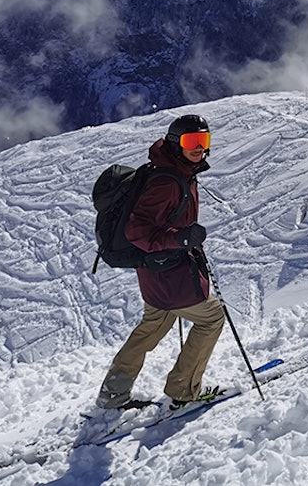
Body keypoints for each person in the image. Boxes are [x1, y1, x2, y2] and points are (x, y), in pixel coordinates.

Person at [95, 114, 226, 410]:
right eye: (191, 142)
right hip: (169, 274)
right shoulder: (167, 181)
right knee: (212, 317)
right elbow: (137, 230)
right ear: (174, 143)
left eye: (203, 141)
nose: (199, 149)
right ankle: (183, 390)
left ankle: (113, 392)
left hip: (155, 272)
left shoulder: (176, 171)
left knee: (154, 323)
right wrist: (180, 238)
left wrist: (181, 237)